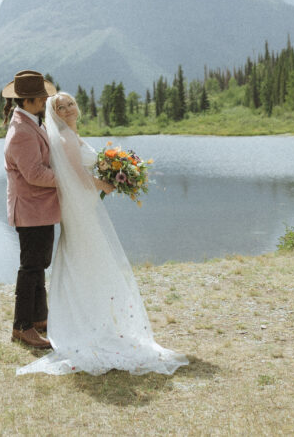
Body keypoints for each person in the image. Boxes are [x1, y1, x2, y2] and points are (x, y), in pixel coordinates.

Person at [17, 91, 189, 376]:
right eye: (61, 106)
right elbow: (77, 177)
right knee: (87, 256)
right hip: (80, 207)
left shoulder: (73, 135)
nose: (68, 108)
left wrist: (115, 172)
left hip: (84, 204)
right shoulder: (65, 139)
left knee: (90, 257)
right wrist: (103, 184)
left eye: (71, 103)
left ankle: (94, 317)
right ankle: (87, 323)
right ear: (55, 113)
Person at [2, 70, 60, 349]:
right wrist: (68, 181)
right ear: (28, 101)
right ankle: (22, 326)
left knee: (38, 264)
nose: (45, 101)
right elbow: (34, 174)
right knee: (31, 267)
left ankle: (38, 319)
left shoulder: (29, 123)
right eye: (41, 98)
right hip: (31, 209)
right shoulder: (22, 132)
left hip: (38, 209)